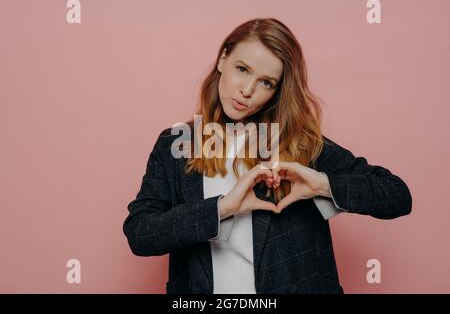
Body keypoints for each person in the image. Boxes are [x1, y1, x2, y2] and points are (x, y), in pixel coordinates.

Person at [122, 18, 412, 294]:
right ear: (223, 59)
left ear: (277, 91)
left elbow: (397, 196)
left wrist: (323, 184)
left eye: (266, 83)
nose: (246, 91)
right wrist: (221, 208)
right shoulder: (176, 145)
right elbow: (140, 233)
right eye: (242, 69)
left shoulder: (298, 144)